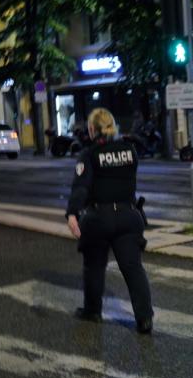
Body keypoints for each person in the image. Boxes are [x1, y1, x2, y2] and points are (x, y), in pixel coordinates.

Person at [65, 107, 154, 334]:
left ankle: (93, 311)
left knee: (94, 267)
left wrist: (72, 213)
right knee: (133, 268)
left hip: (99, 217)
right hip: (128, 215)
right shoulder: (129, 150)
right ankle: (144, 319)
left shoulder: (90, 154)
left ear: (92, 129)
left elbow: (81, 187)